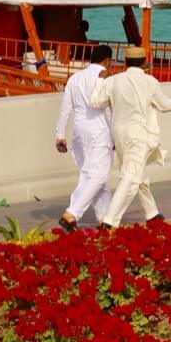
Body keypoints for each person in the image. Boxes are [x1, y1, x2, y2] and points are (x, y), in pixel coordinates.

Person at [89, 48, 171, 228]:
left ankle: (152, 213)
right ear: (144, 63)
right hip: (138, 134)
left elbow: (95, 101)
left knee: (138, 174)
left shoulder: (113, 81)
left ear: (125, 62)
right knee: (131, 177)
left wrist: (100, 81)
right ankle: (110, 221)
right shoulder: (150, 82)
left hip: (118, 134)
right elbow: (164, 105)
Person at [53, 44, 114, 232]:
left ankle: (105, 219)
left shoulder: (75, 78)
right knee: (99, 175)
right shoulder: (105, 78)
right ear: (107, 60)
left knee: (89, 176)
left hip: (79, 131)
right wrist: (115, 136)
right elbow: (109, 110)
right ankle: (72, 213)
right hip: (100, 131)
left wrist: (60, 135)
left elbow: (65, 109)